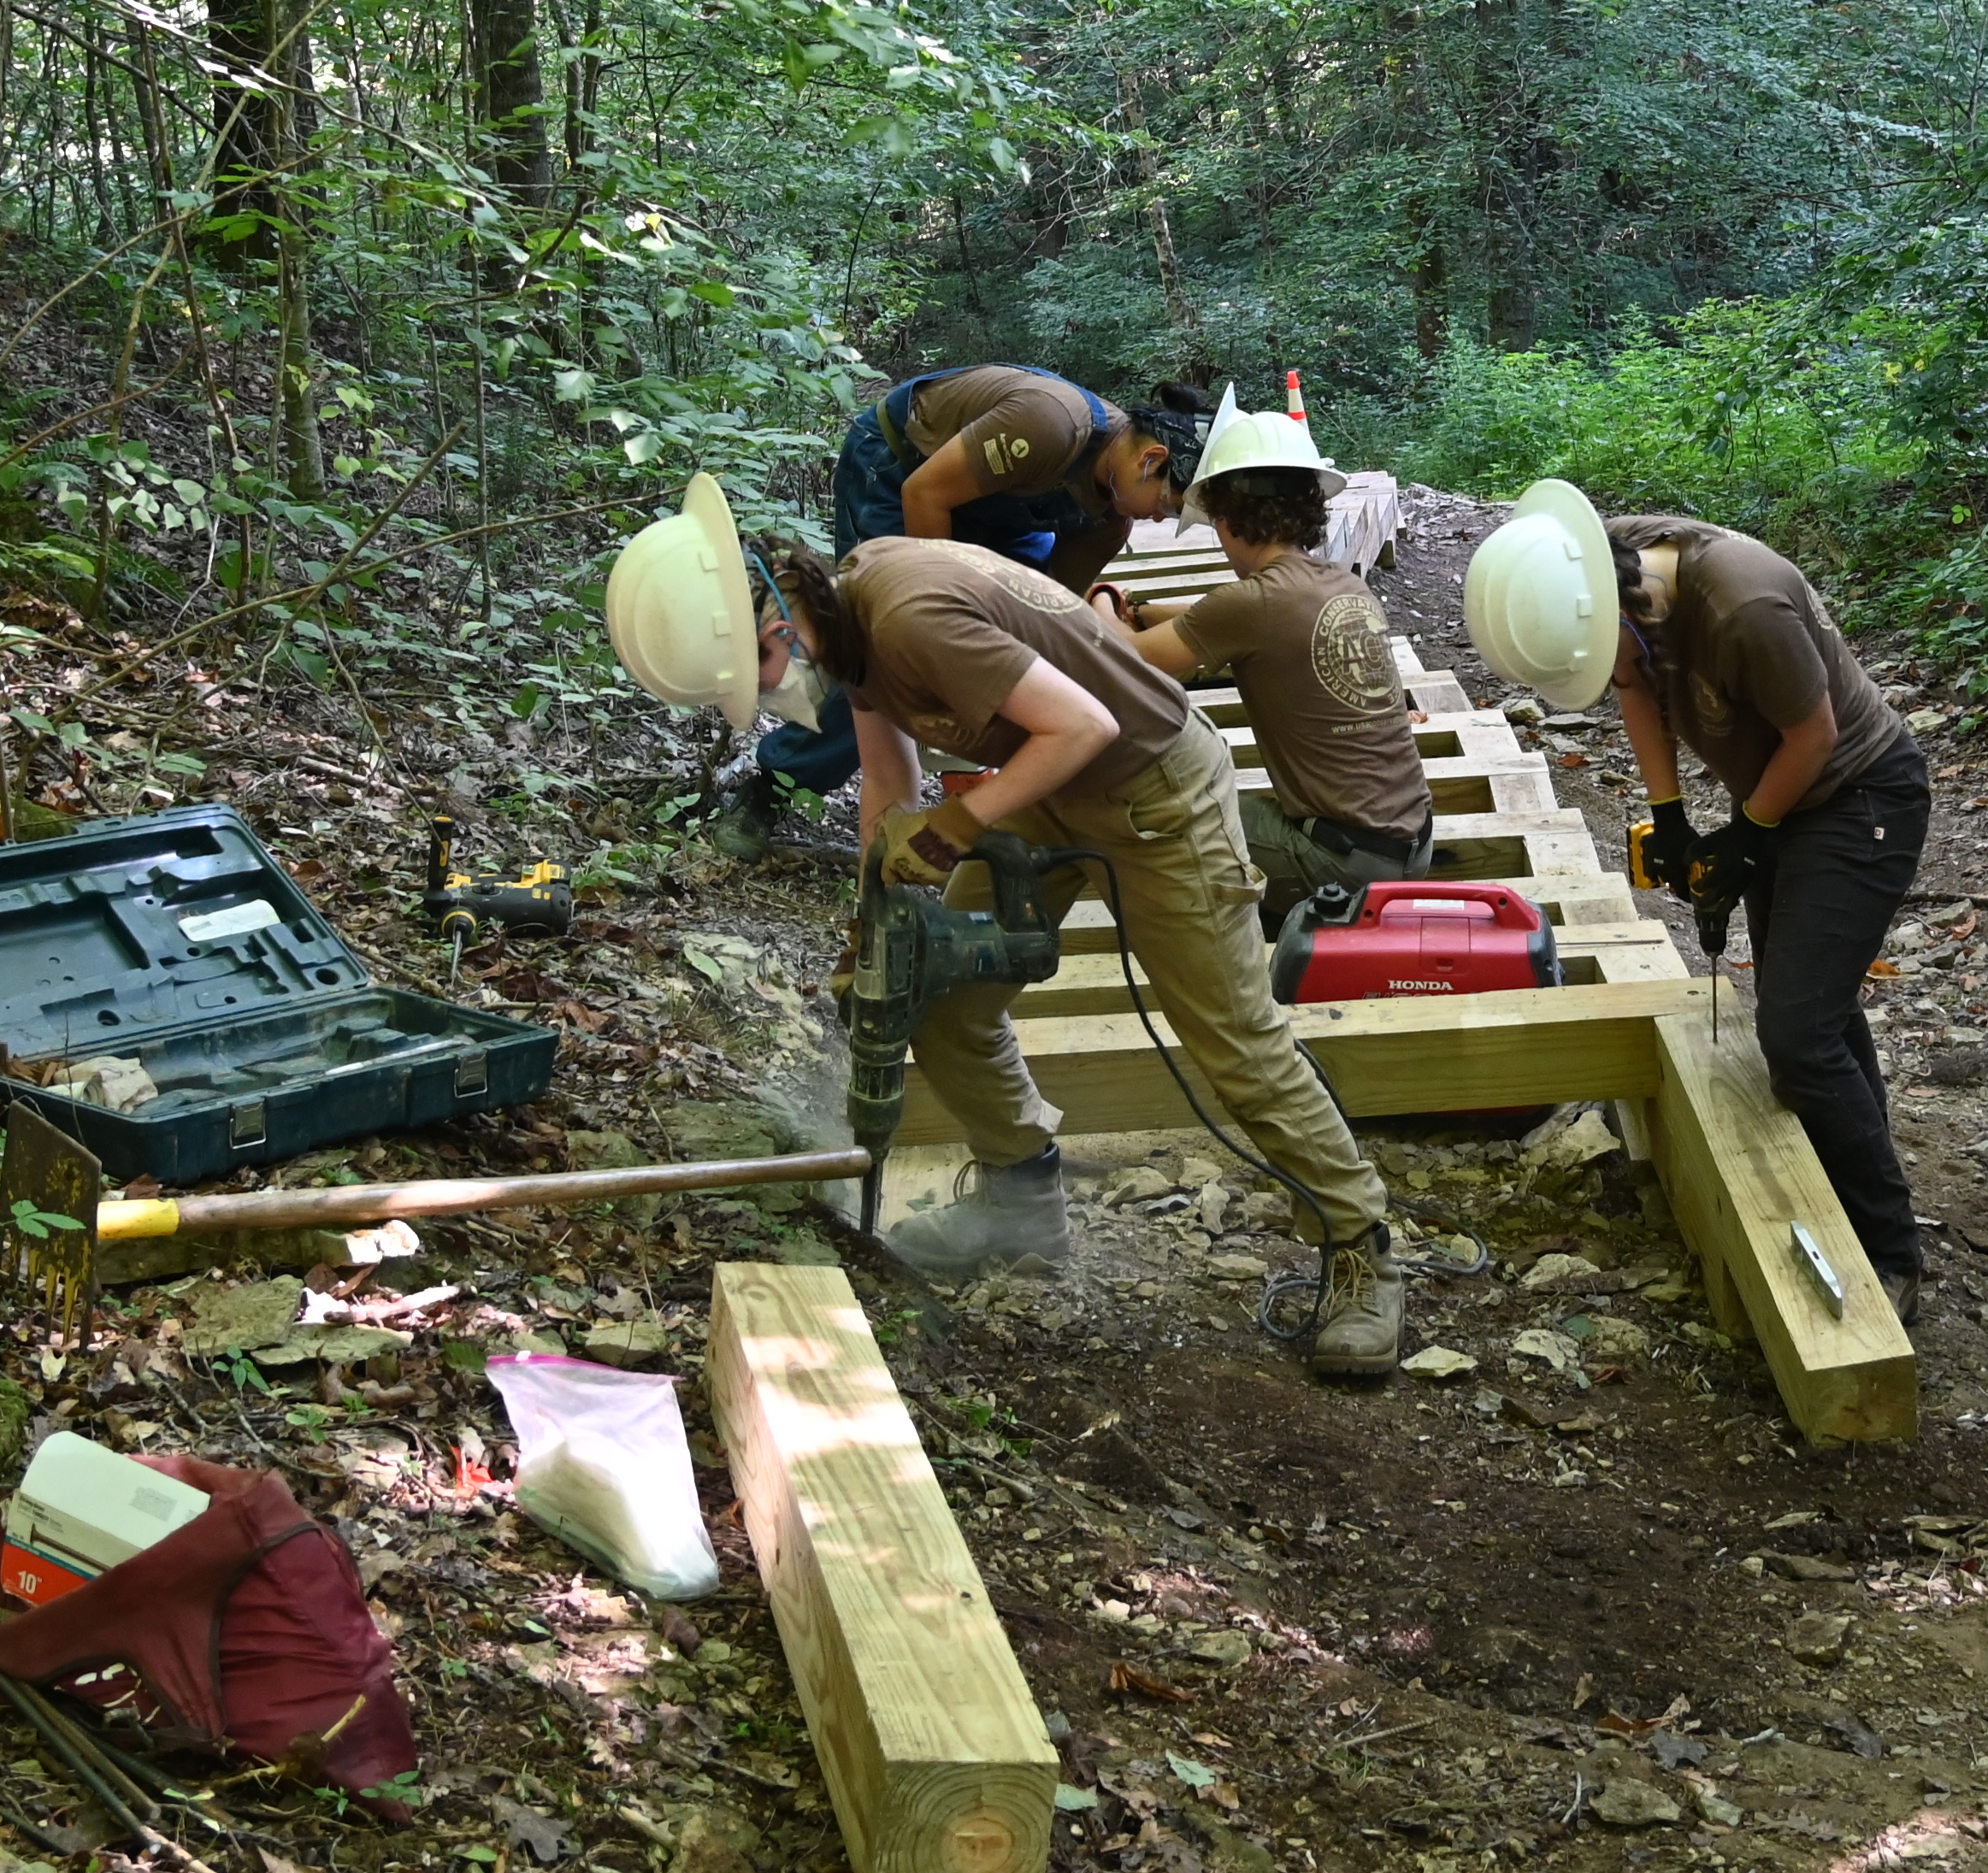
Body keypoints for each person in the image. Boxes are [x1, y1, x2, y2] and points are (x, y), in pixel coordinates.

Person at [606, 472, 1406, 1379]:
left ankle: (1359, 1246)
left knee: (1233, 1038)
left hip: (1155, 787)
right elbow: (893, 784)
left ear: (772, 628)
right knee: (940, 991)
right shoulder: (851, 617)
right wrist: (881, 918)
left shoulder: (908, 613)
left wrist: (958, 827)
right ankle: (1019, 1195)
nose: (772, 694)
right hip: (1048, 782)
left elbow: (1085, 723)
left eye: (755, 677)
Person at [1466, 477, 1928, 1321]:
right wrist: (1674, 821)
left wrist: (1746, 835)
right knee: (1809, 1008)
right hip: (1783, 795)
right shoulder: (1594, 571)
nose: (1609, 677)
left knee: (1795, 1031)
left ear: (1630, 612)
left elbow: (1815, 735)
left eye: (1607, 655)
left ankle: (1889, 1245)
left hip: (1860, 795)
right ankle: (1843, 1159)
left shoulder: (1742, 602)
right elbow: (1638, 689)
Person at [743, 367, 1213, 813]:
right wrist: (934, 637)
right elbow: (924, 496)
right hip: (901, 474)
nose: (1156, 519)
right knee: (878, 643)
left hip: (989, 504)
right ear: (1151, 461)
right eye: (1167, 507)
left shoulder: (1108, 525)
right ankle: (778, 782)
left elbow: (1051, 615)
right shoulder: (1050, 425)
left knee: (988, 634)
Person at [1119, 403, 1431, 933]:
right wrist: (1145, 610)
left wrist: (1103, 600)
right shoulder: (1340, 585)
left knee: (1151, 808)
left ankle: (1224, 925)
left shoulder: (1251, 605)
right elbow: (1218, 619)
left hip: (1345, 864)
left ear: (1227, 519)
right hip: (1410, 845)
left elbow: (1122, 661)